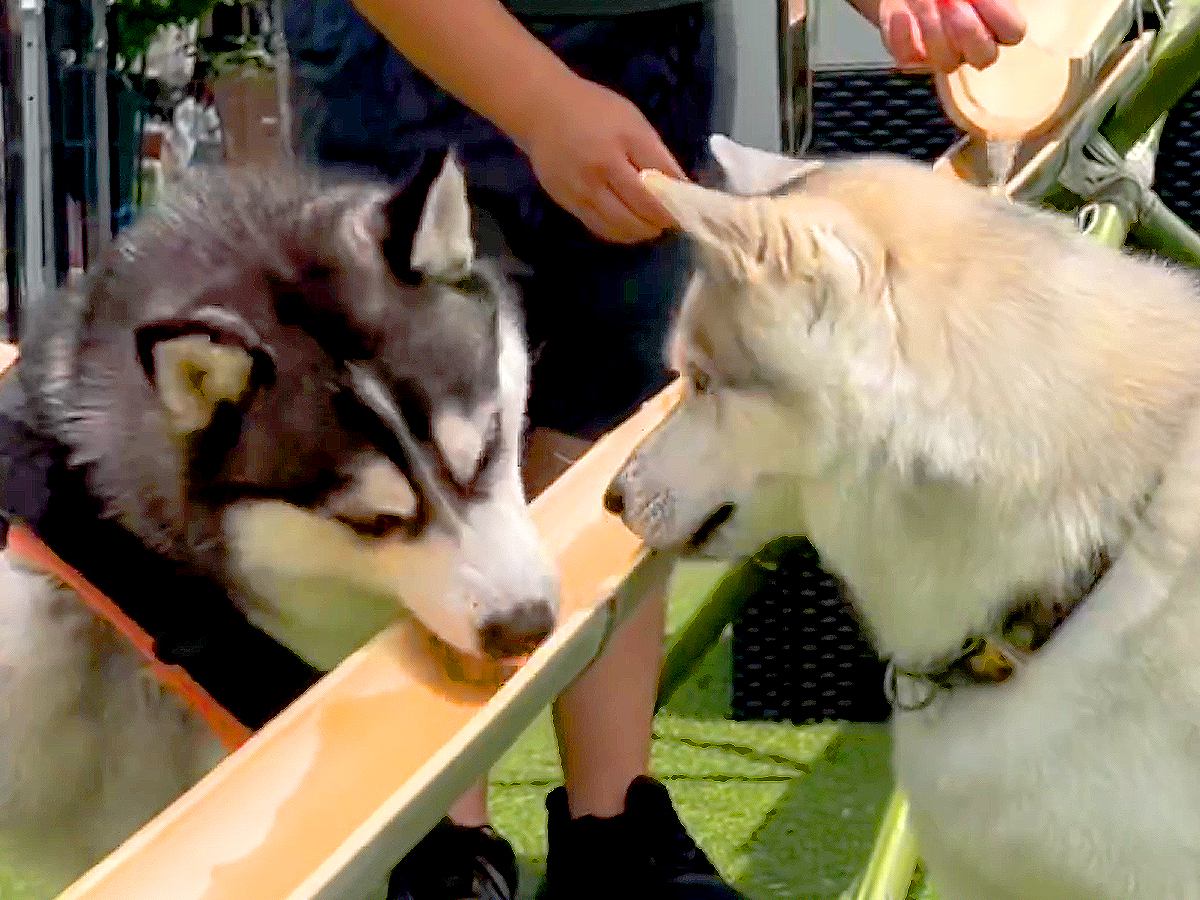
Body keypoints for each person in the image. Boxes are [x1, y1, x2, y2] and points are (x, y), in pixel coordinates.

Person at [282, 0, 1026, 897]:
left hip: (645, 47)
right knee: (434, 424)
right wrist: (540, 101)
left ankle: (614, 830)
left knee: (614, 404)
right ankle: (438, 840)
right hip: (419, 51)